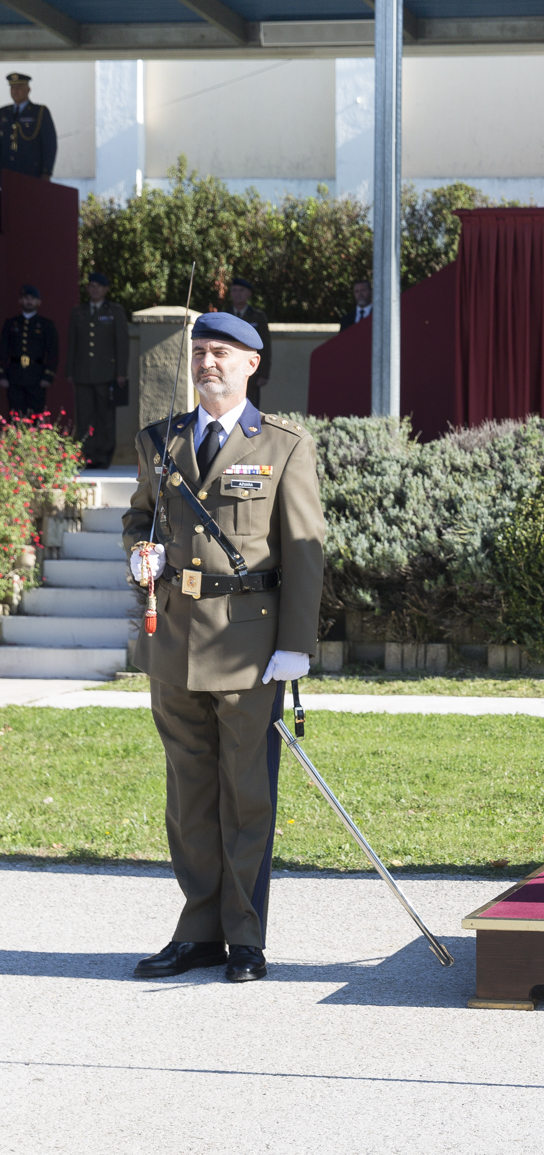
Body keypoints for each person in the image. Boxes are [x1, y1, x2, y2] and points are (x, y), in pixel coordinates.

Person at [122, 311, 327, 984]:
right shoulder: (162, 439)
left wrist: (295, 645)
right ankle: (199, 929)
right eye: (200, 350)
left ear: (251, 364)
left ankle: (245, 935)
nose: (207, 361)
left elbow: (305, 551)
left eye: (221, 352)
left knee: (247, 795)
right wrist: (139, 552)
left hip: (248, 645)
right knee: (189, 796)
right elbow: (138, 514)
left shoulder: (284, 446)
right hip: (175, 637)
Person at [70, 273, 130, 469]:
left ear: (105, 289)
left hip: (107, 374)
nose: (94, 289)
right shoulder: (78, 312)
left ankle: (103, 456)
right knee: (84, 417)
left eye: (98, 286)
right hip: (83, 374)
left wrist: (121, 372)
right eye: (91, 286)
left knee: (105, 418)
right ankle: (87, 456)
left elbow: (122, 343)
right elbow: (72, 344)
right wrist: (70, 371)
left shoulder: (114, 311)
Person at [1, 283, 57, 416]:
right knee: (15, 416)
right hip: (15, 375)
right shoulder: (11, 324)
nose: (29, 301)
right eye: (26, 298)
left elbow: (53, 353)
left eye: (32, 298)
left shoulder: (46, 325)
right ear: (20, 300)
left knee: (36, 415)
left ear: (38, 302)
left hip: (36, 375)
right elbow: (3, 350)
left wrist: (48, 376)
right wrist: (2, 374)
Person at [0, 72, 56, 179]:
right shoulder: (3, 113)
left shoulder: (39, 112)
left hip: (31, 173)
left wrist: (46, 172)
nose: (15, 91)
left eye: (19, 87)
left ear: (28, 89)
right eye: (12, 87)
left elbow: (49, 144)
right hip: (6, 173)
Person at [227, 279, 272, 409]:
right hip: (229, 368)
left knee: (250, 405)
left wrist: (263, 374)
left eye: (241, 290)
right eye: (234, 290)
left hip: (251, 371)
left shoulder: (258, 317)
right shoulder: (225, 314)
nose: (237, 294)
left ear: (249, 294)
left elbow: (265, 346)